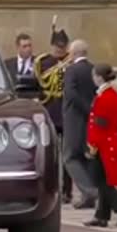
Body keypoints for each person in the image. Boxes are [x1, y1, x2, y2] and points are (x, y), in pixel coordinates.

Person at [83, 63, 117, 228]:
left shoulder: (105, 97)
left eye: (94, 76)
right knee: (104, 179)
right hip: (107, 143)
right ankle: (101, 216)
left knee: (101, 180)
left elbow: (100, 125)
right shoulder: (109, 94)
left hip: (104, 145)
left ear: (99, 77)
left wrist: (92, 146)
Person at [33, 21, 73, 204]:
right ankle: (50, 188)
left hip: (66, 111)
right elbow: (38, 86)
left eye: (62, 46)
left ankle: (67, 190)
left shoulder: (71, 62)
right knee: (48, 154)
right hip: (49, 109)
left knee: (67, 155)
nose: (59, 49)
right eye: (57, 46)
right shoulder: (43, 62)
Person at [62, 39, 98, 209]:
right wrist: (91, 110)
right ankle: (88, 197)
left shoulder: (71, 70)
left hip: (74, 119)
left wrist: (85, 108)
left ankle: (89, 191)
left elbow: (70, 93)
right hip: (90, 120)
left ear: (74, 53)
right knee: (87, 156)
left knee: (69, 157)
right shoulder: (93, 69)